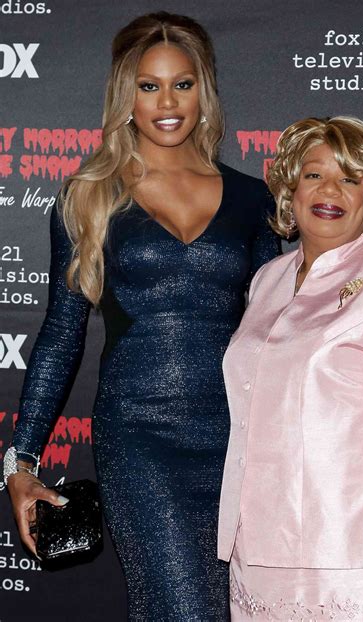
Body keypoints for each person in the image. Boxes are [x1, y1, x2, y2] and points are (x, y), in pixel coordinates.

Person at [4, 11, 279, 621]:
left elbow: (274, 328)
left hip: (242, 438)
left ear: (204, 91)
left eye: (183, 83)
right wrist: (21, 462)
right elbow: (62, 334)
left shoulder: (253, 198)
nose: (167, 102)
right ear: (125, 96)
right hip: (140, 438)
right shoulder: (89, 195)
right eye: (149, 86)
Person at [218, 117, 363, 621]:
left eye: (350, 178)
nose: (330, 191)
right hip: (256, 556)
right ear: (291, 189)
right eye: (314, 175)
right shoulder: (266, 281)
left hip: (353, 558)